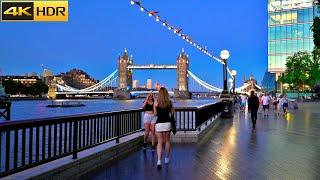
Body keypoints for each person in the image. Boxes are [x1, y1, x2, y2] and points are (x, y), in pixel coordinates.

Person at [154, 87, 174, 170]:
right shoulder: (169, 102)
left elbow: (155, 114)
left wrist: (155, 107)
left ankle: (159, 161)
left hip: (159, 123)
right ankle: (166, 158)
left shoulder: (156, 102)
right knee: (167, 141)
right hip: (167, 123)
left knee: (159, 142)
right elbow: (173, 113)